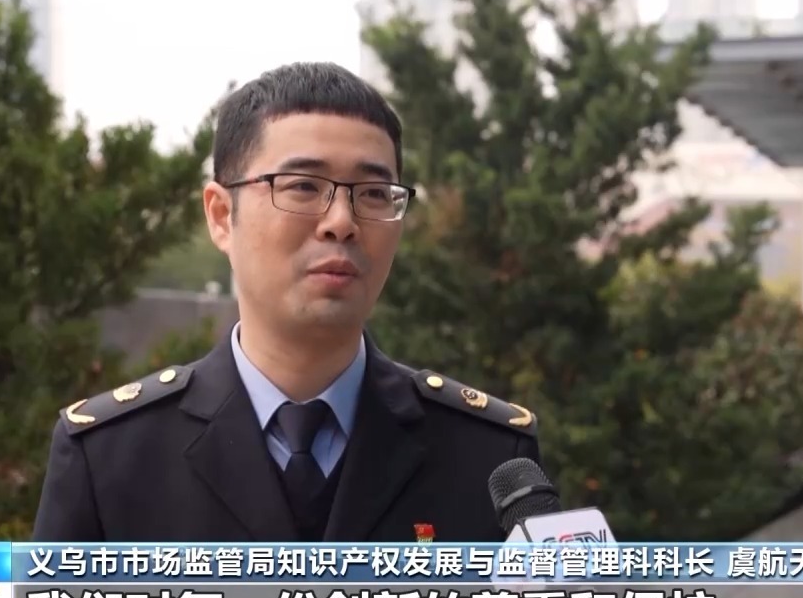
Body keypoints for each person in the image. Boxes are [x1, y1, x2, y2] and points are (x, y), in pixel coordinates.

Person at [32, 62, 542, 543]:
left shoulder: (493, 459)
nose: (341, 222)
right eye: (302, 186)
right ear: (220, 215)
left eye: (373, 193)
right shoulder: (111, 457)